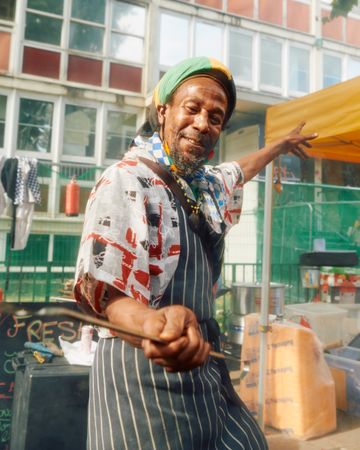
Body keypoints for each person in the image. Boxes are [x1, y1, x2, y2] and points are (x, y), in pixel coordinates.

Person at [74, 56, 317, 450]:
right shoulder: (127, 180)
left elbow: (242, 168)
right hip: (143, 370)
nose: (203, 124)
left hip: (205, 361)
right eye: (192, 108)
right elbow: (107, 294)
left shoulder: (205, 184)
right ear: (163, 110)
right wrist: (154, 326)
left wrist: (280, 146)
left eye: (216, 116)